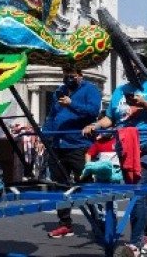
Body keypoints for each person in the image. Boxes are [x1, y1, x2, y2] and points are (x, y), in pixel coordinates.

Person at [83, 72, 147, 256]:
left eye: (134, 66)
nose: (131, 70)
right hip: (126, 148)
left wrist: (145, 104)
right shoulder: (120, 91)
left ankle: (134, 245)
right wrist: (96, 125)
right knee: (141, 193)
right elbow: (111, 118)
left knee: (137, 192)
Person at [42, 67, 102, 238]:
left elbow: (93, 111)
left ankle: (99, 221)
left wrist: (71, 103)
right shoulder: (59, 91)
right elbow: (52, 116)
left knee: (85, 184)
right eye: (65, 73)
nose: (68, 77)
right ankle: (64, 224)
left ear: (80, 75)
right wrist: (44, 137)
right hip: (57, 146)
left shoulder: (90, 89)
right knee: (59, 186)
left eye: (72, 74)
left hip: (78, 145)